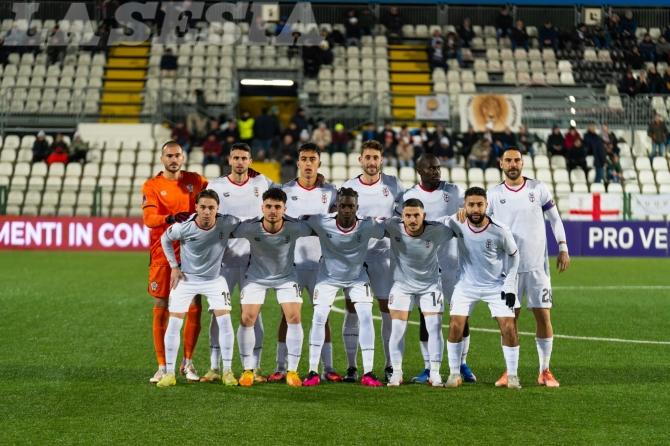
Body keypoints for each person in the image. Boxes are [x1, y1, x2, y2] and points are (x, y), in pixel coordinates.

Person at [484, 148, 570, 388]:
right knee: (509, 320)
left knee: (543, 316)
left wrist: (563, 247)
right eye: (508, 160)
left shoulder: (538, 188)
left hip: (536, 267)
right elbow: (485, 227)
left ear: (522, 163)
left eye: (517, 160)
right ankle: (510, 372)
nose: (513, 164)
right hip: (507, 269)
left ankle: (545, 371)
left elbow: (555, 219)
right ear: (501, 164)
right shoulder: (493, 194)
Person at [265, 144, 342, 383]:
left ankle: (328, 367)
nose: (308, 163)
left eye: (312, 159)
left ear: (319, 163)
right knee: (287, 315)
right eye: (304, 159)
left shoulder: (331, 192)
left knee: (323, 315)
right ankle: (281, 366)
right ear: (297, 162)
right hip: (292, 264)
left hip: (322, 264)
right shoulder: (285, 190)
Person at [401, 154, 475, 384]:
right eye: (430, 168)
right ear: (419, 171)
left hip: (452, 263)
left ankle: (462, 363)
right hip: (424, 267)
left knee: (460, 314)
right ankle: (427, 367)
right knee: (426, 316)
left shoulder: (453, 191)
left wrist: (466, 210)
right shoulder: (409, 196)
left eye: (437, 168)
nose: (435, 171)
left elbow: (471, 207)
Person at [302, 188, 386, 387]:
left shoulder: (367, 224)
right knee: (319, 317)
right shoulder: (321, 221)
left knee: (366, 316)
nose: (347, 210)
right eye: (343, 206)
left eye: (351, 206)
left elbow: (387, 229)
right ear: (336, 206)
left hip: (357, 278)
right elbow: (297, 221)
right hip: (327, 278)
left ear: (357, 207)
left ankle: (368, 372)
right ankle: (313, 371)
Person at [206, 143, 274, 383]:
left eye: (244, 158)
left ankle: (254, 367)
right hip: (222, 262)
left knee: (253, 315)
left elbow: (284, 195)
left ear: (250, 161)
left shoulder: (262, 183)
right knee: (218, 314)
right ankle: (214, 367)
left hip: (254, 262)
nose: (239, 162)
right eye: (235, 157)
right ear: (229, 160)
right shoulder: (216, 186)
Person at [156, 190, 240, 387]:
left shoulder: (227, 222)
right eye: (203, 207)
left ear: (217, 209)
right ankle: (169, 373)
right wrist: (174, 266)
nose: (207, 212)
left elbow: (246, 226)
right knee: (174, 323)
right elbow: (165, 239)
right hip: (186, 279)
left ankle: (227, 371)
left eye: (211, 208)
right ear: (196, 208)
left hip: (214, 280)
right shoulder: (183, 227)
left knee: (225, 321)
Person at [141, 141, 208, 384]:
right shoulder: (152, 185)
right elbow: (149, 218)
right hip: (162, 253)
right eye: (169, 155)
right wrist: (170, 218)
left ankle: (188, 362)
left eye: (177, 155)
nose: (173, 159)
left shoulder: (196, 180)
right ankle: (161, 365)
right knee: (162, 303)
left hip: (192, 252)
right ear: (162, 159)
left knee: (194, 304)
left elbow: (218, 194)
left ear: (183, 157)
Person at [233, 188, 311, 387]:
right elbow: (223, 231)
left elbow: (321, 229)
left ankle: (292, 371)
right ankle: (248, 370)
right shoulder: (250, 227)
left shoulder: (295, 227)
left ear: (285, 209)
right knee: (247, 318)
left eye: (277, 207)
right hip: (256, 277)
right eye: (268, 206)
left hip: (286, 277)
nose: (272, 211)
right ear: (262, 207)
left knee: (294, 316)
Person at [445, 187, 521, 389]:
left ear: (487, 205)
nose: (476, 209)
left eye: (480, 204)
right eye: (471, 205)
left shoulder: (500, 230)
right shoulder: (456, 222)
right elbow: (435, 226)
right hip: (466, 284)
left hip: (495, 285)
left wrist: (510, 284)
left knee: (509, 327)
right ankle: (454, 374)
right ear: (464, 206)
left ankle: (513, 376)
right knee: (455, 326)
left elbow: (514, 256)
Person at [341, 140, 404, 383]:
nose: (371, 162)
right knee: (352, 309)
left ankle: (389, 365)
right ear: (360, 159)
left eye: (375, 157)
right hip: (356, 257)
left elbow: (403, 214)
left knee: (386, 309)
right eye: (367, 157)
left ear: (381, 160)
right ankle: (351, 366)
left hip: (384, 256)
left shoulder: (393, 184)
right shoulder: (348, 186)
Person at [385, 199, 452, 387]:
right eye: (408, 215)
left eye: (416, 215)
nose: (412, 220)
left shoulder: (437, 230)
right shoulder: (392, 226)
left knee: (434, 328)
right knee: (397, 330)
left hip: (430, 286)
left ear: (424, 216)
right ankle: (397, 373)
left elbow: (461, 230)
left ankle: (435, 373)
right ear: (402, 216)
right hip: (402, 286)